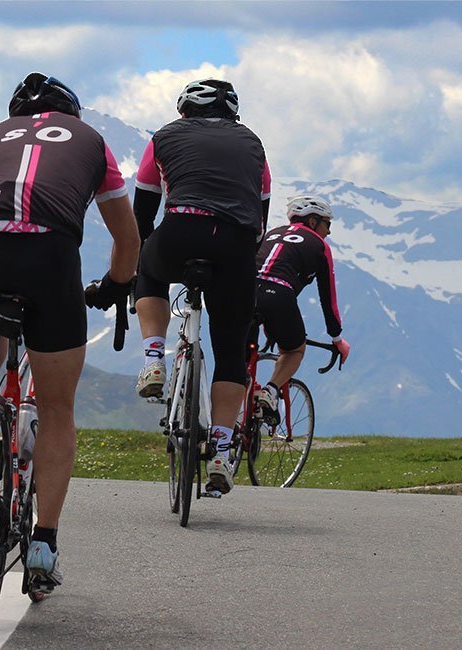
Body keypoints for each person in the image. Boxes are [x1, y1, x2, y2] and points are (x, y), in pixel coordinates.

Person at [0, 72, 140, 590]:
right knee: (57, 409)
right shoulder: (92, 143)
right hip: (50, 258)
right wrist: (116, 286)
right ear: (70, 113)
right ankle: (43, 545)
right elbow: (128, 238)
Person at [131, 78, 271, 495]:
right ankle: (224, 451)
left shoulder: (163, 138)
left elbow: (141, 216)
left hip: (180, 232)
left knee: (148, 266)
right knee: (230, 351)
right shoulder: (254, 144)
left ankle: (154, 358)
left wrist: (139, 260)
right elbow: (260, 222)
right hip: (236, 243)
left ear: (184, 110)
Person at [251, 195, 350, 424]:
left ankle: (229, 431)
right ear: (313, 221)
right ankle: (271, 390)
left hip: (244, 291)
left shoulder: (272, 233)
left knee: (238, 362)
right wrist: (337, 338)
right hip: (279, 295)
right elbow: (329, 299)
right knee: (294, 350)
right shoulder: (319, 245)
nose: (329, 231)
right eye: (328, 224)